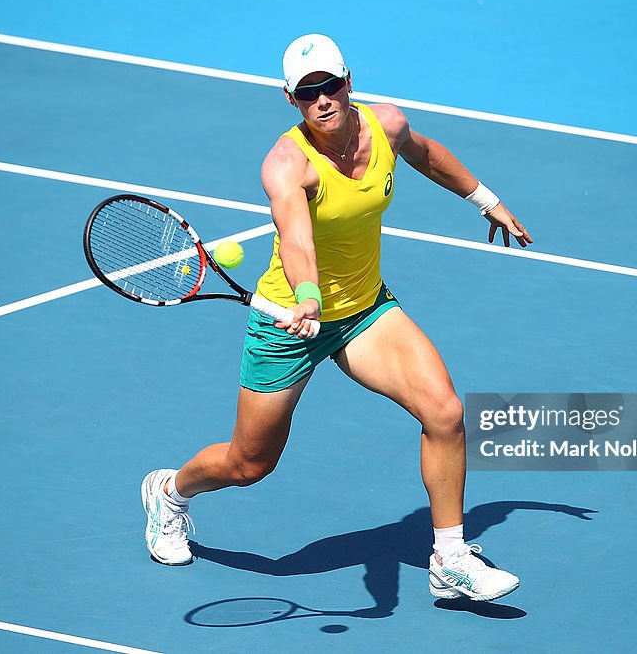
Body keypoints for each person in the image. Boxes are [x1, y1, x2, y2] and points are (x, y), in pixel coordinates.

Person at [141, 33, 532, 602]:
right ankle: (169, 491)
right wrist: (305, 295)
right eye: (307, 93)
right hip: (290, 324)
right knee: (249, 464)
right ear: (290, 99)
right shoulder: (285, 164)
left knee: (445, 413)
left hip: (366, 310)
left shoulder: (386, 126)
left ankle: (450, 557)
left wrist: (486, 200)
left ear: (350, 82)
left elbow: (425, 153)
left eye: (330, 86)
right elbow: (296, 237)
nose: (322, 100)